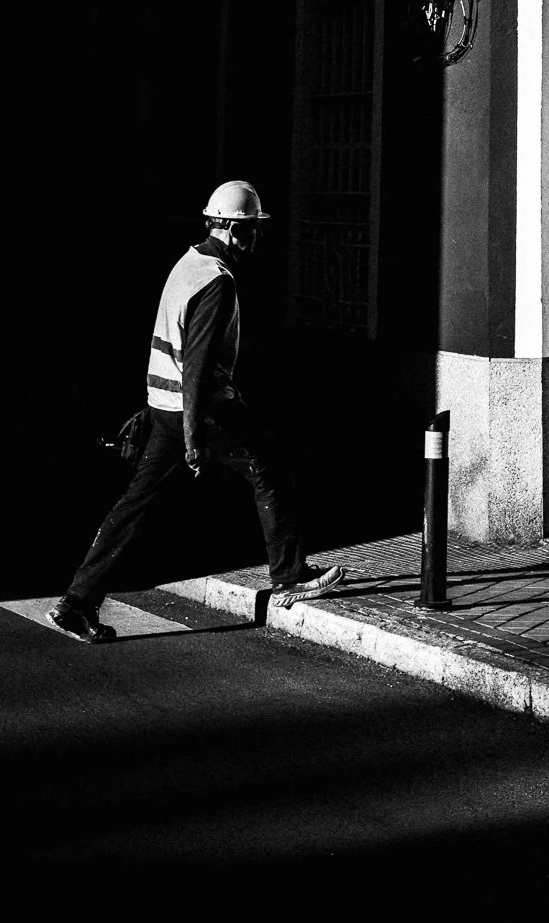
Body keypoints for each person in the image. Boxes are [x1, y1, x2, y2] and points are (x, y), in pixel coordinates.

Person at [49, 181, 342, 644]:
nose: (255, 239)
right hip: (200, 411)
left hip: (163, 406)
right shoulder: (217, 281)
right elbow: (198, 367)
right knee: (269, 467)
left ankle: (77, 602)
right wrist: (193, 439)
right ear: (227, 229)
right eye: (249, 230)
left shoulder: (188, 263)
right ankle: (289, 576)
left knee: (135, 505)